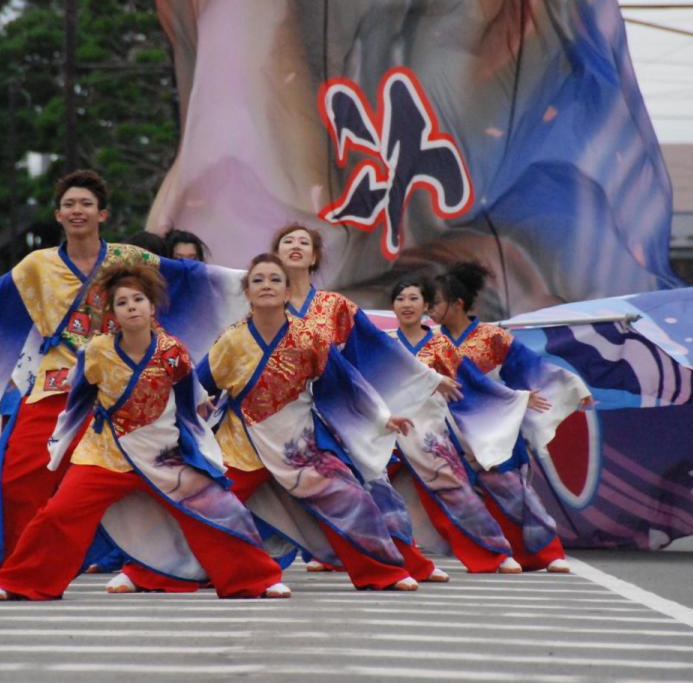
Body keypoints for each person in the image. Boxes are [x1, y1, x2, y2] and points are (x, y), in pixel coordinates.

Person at [0, 169, 158, 592]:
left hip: (120, 385)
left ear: (103, 213)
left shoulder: (129, 259)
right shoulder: (38, 265)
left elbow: (187, 281)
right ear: (58, 215)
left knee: (161, 475)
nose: (78, 211)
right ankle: (11, 569)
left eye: (86, 204)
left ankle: (163, 568)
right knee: (19, 475)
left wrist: (251, 287)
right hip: (56, 382)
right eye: (69, 204)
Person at [0, 261, 288, 601]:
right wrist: (60, 445)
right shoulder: (96, 352)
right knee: (58, 513)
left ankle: (258, 579)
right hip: (105, 453)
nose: (131, 307)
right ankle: (20, 581)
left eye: (138, 300)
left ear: (152, 306)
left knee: (221, 508)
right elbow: (78, 402)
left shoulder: (172, 353)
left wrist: (199, 448)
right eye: (122, 303)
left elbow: (190, 404)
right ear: (112, 314)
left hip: (163, 454)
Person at [200, 253, 420, 591]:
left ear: (288, 291)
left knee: (353, 498)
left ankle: (383, 573)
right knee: (208, 507)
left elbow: (344, 383)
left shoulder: (310, 337)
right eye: (258, 280)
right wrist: (194, 409)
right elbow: (198, 385)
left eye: (276, 279)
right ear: (247, 292)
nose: (267, 286)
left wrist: (381, 417)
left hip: (299, 444)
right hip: (240, 443)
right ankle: (160, 573)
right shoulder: (230, 341)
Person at [272, 223, 455, 582]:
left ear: (314, 256)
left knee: (371, 482)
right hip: (274, 413)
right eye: (287, 242)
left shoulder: (335, 306)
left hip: (334, 409)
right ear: (274, 254)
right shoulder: (263, 299)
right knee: (250, 487)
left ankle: (409, 562)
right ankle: (229, 567)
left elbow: (377, 348)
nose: (295, 246)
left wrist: (427, 378)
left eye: (303, 242)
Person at [431, 262, 590, 573]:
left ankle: (547, 553)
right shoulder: (430, 341)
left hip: (493, 425)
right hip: (446, 428)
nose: (430, 309)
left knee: (514, 492)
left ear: (457, 303)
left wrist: (570, 387)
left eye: (435, 302)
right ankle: (494, 553)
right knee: (460, 498)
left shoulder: (492, 337)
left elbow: (529, 369)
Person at [387, 276, 522, 574]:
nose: (407, 305)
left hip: (427, 431)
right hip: (388, 431)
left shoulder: (440, 343)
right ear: (392, 306)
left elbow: (467, 384)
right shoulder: (384, 345)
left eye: (413, 298)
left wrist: (513, 398)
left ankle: (494, 553)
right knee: (358, 489)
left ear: (425, 306)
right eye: (400, 299)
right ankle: (342, 555)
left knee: (457, 492)